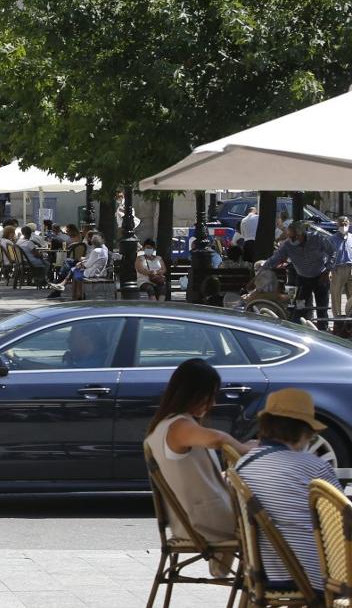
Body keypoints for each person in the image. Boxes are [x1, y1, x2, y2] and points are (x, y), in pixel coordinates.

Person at [145, 360, 253, 575]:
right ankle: (266, 583)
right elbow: (217, 438)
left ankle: (251, 579)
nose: (212, 403)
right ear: (192, 394)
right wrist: (243, 448)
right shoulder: (178, 426)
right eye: (208, 396)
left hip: (192, 518)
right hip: (202, 522)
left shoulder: (167, 425)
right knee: (272, 521)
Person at [235, 389, 339, 592]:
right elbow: (341, 521)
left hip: (265, 570)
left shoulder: (243, 464)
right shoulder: (314, 466)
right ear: (304, 431)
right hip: (315, 574)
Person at [261, 220, 337, 329]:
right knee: (300, 307)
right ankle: (298, 329)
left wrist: (328, 270)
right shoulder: (288, 245)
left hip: (321, 277)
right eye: (290, 237)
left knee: (322, 307)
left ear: (302, 234)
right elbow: (275, 259)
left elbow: (333, 252)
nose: (292, 240)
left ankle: (322, 330)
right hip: (303, 280)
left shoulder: (317, 238)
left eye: (294, 237)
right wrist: (262, 269)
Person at [331, 216, 352, 318]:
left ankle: (350, 314)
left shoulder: (351, 237)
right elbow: (327, 255)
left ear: (349, 224)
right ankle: (337, 317)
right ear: (337, 225)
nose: (343, 226)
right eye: (341, 224)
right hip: (337, 269)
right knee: (336, 294)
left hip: (351, 268)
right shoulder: (332, 239)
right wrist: (329, 270)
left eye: (345, 224)